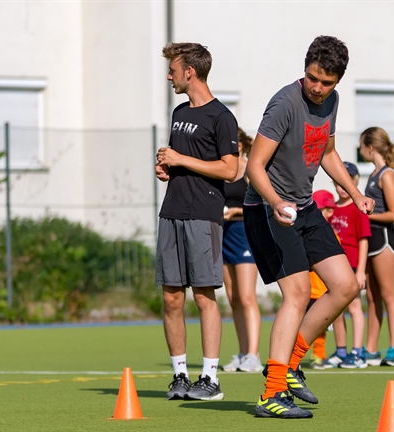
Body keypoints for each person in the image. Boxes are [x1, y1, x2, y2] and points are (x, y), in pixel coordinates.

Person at [244, 35, 374, 419]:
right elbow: (254, 166)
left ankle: (290, 365)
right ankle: (272, 393)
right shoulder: (285, 103)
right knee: (298, 293)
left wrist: (355, 193)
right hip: (268, 208)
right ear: (305, 68)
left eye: (326, 82)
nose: (317, 88)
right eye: (312, 78)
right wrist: (276, 202)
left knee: (346, 286)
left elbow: (327, 152)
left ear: (338, 80)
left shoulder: (332, 101)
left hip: (304, 206)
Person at [156, 42, 239, 401]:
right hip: (171, 211)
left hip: (203, 215)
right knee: (171, 298)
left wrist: (181, 160)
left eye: (173, 70)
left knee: (204, 296)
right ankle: (180, 376)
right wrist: (166, 167)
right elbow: (179, 160)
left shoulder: (222, 116)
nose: (169, 76)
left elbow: (230, 169)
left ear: (189, 72)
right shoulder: (178, 112)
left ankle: (210, 379)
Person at [359, 127, 394, 367]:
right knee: (372, 296)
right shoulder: (374, 174)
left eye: (361, 146)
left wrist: (365, 217)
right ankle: (371, 349)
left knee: (388, 294)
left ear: (370, 147)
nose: (360, 150)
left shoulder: (387, 175)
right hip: (371, 238)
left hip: (385, 238)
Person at [221, 128, 262, 373]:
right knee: (234, 298)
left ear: (240, 145)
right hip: (224, 235)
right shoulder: (222, 170)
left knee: (247, 297)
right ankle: (243, 352)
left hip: (245, 234)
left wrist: (237, 212)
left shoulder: (250, 170)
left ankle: (253, 355)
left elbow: (260, 206)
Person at [325, 161, 370, 369]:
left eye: (347, 181)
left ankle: (358, 352)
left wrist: (361, 271)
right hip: (335, 267)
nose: (342, 187)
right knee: (336, 309)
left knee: (354, 307)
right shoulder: (331, 209)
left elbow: (364, 241)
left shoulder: (357, 208)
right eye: (339, 182)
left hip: (352, 265)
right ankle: (341, 351)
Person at [307, 190, 336, 369]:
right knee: (297, 326)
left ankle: (319, 356)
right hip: (305, 291)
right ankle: (292, 359)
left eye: (319, 210)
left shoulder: (332, 235)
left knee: (320, 328)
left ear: (330, 211)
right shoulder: (305, 233)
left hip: (322, 292)